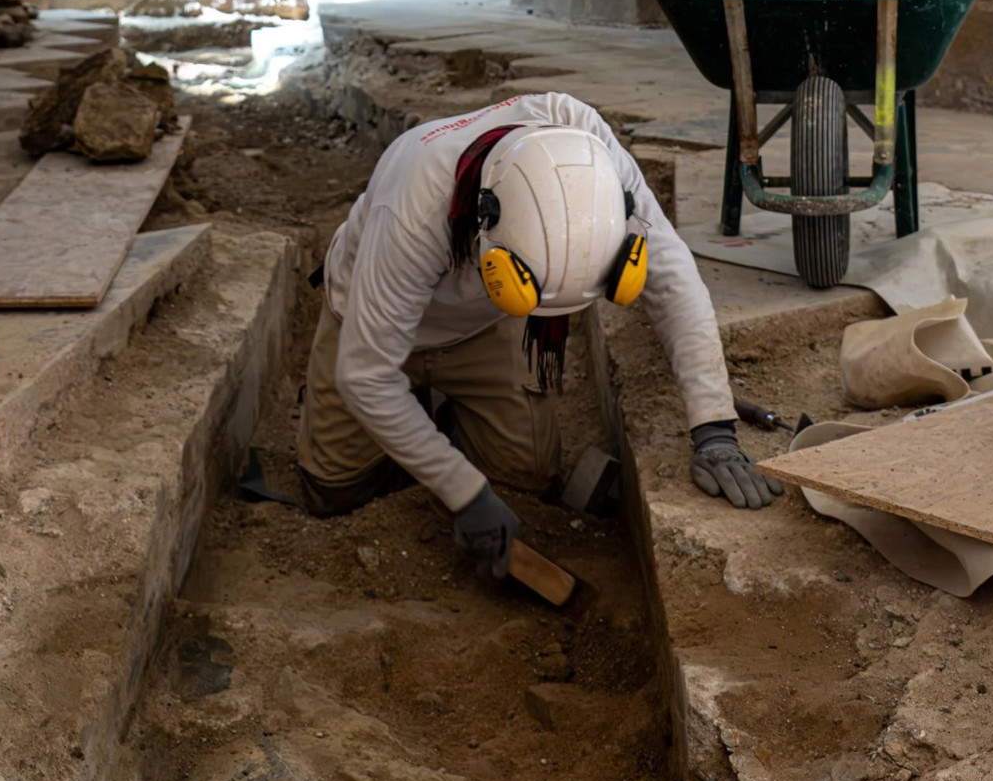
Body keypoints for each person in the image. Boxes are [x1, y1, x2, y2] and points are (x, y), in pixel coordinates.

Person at [297, 91, 777, 570]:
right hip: (369, 324)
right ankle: (409, 418)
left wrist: (713, 428)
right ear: (485, 225)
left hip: (484, 326)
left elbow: (673, 278)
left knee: (526, 481)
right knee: (334, 492)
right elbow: (367, 375)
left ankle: (437, 418)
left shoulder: (591, 152)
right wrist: (464, 493)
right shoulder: (413, 205)